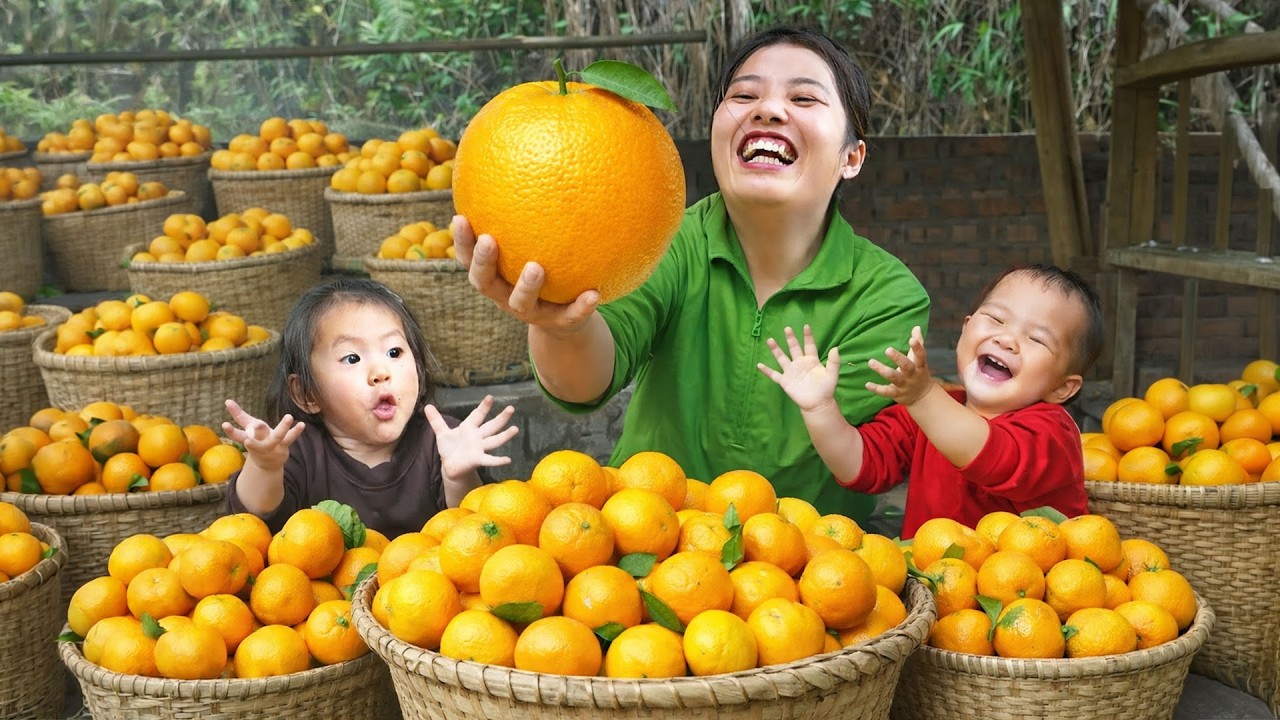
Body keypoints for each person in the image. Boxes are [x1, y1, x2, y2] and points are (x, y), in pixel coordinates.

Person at [450, 26, 929, 522]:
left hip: (801, 578)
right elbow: (586, 384)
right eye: (744, 94)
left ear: (851, 157)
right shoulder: (659, 242)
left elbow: (861, 460)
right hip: (641, 549)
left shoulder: (889, 297)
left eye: (804, 97)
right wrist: (561, 324)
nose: (766, 109)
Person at [758, 264, 1104, 538]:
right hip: (939, 593)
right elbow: (861, 466)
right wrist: (819, 408)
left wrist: (923, 396)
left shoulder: (1052, 433)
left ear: (1062, 388)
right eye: (996, 319)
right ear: (965, 329)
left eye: (1036, 338)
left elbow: (993, 457)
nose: (1007, 339)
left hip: (1032, 606)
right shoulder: (932, 409)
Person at [223, 277, 519, 537]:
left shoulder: (441, 442)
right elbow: (254, 522)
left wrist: (458, 477)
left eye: (394, 352)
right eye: (352, 358)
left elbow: (474, 539)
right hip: (323, 601)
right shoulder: (299, 452)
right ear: (307, 393)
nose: (381, 371)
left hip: (423, 595)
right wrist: (264, 466)